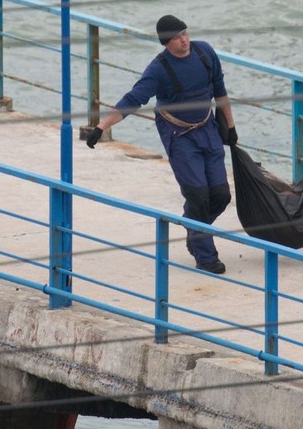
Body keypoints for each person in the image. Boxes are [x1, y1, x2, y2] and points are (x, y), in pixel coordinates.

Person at [86, 15, 238, 274]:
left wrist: (231, 127)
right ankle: (206, 255)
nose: (184, 40)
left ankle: (193, 229)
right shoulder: (158, 69)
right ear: (166, 43)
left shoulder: (204, 52)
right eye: (178, 37)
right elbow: (132, 99)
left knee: (221, 195)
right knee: (198, 195)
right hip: (178, 135)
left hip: (208, 128)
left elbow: (220, 92)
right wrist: (101, 127)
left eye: (185, 34)